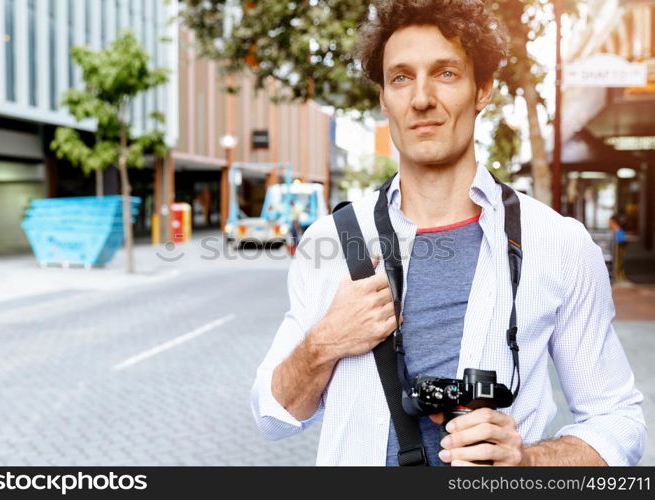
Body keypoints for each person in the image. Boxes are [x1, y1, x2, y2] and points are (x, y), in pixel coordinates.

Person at [251, 0, 645, 466]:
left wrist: (527, 461)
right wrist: (325, 342)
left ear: (482, 90)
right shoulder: (330, 241)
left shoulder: (557, 243)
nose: (420, 98)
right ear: (384, 98)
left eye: (444, 73)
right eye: (401, 77)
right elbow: (272, 416)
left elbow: (618, 421)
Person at [608, 214, 628, 282]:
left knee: (618, 265)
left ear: (613, 222)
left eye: (609, 221)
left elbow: (621, 243)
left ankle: (618, 278)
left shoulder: (619, 232)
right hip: (615, 256)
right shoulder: (614, 232)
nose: (608, 223)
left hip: (617, 257)